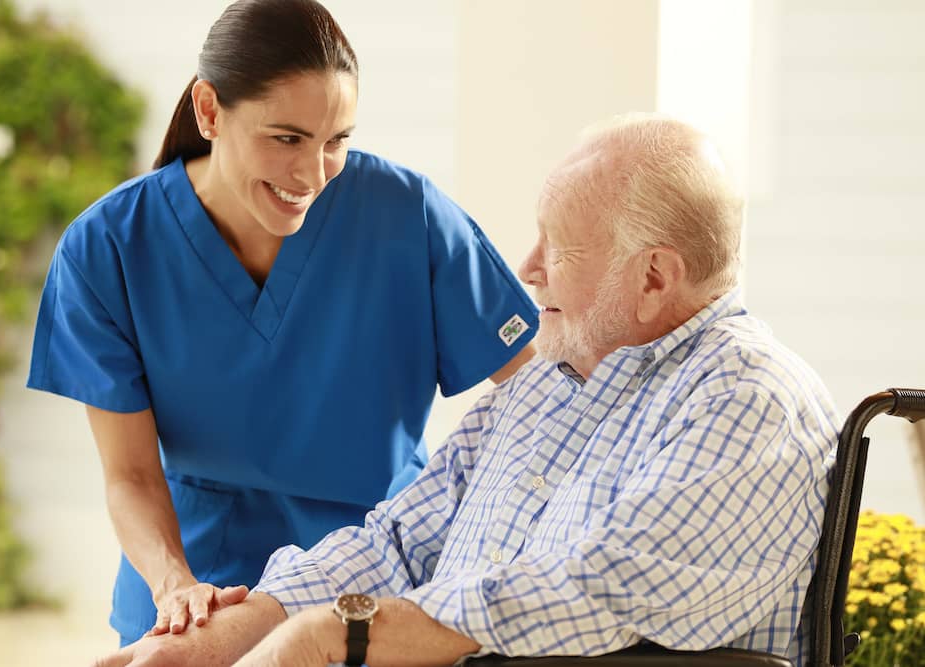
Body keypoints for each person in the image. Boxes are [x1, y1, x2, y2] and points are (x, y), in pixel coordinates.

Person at [94, 113, 840, 667]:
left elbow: (596, 587)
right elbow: (398, 541)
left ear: (653, 277)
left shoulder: (747, 399)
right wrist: (237, 628)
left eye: (559, 245)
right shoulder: (547, 382)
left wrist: (335, 634)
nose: (529, 265)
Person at [26, 0, 538, 647]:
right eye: (287, 138)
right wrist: (174, 585)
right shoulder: (109, 246)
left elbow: (541, 396)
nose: (312, 172)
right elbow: (129, 474)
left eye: (336, 141)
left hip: (371, 593)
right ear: (210, 111)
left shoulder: (409, 218)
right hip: (200, 601)